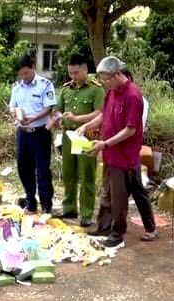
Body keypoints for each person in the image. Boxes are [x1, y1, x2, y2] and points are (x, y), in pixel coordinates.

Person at [78, 56, 145, 248]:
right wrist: (86, 126)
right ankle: (104, 226)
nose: (104, 83)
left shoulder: (133, 95)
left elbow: (130, 129)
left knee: (119, 197)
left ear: (117, 74)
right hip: (108, 153)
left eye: (107, 78)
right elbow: (102, 115)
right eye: (102, 79)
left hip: (123, 155)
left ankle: (117, 233)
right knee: (106, 192)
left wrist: (105, 143)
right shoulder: (111, 92)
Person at [51, 54, 104, 225]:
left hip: (85, 136)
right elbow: (58, 109)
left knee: (86, 174)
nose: (73, 76)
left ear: (85, 70)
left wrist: (76, 118)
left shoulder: (96, 89)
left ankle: (87, 214)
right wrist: (57, 119)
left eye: (76, 72)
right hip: (67, 136)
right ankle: (69, 208)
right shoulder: (66, 89)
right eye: (70, 73)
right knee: (69, 173)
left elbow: (99, 113)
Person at [9, 54, 57, 214]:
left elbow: (49, 107)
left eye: (26, 73)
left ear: (33, 68)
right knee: (23, 168)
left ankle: (46, 204)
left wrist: (34, 117)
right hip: (23, 133)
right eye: (21, 74)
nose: (24, 77)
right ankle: (30, 200)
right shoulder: (17, 87)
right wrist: (16, 115)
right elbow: (12, 107)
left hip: (40, 132)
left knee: (42, 169)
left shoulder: (45, 85)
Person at [119, 68, 158, 240]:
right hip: (117, 150)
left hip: (130, 150)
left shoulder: (137, 99)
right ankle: (116, 226)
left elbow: (133, 128)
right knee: (119, 190)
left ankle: (150, 228)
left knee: (136, 188)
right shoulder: (116, 97)